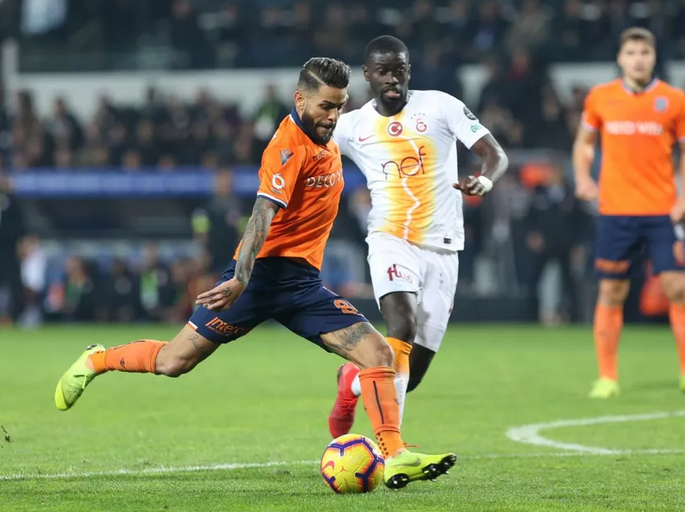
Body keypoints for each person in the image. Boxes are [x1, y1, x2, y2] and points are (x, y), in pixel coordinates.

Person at [54, 57, 455, 490]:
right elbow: (263, 212)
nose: (334, 116)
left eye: (340, 106)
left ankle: (396, 455)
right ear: (300, 100)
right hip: (259, 278)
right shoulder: (287, 147)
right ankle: (98, 358)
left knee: (379, 355)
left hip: (301, 285)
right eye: (326, 107)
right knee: (174, 362)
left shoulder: (328, 137)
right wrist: (241, 277)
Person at [328, 36, 508, 438]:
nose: (393, 78)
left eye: (400, 69)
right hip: (390, 238)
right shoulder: (351, 126)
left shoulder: (441, 106)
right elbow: (308, 150)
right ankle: (392, 448)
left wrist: (485, 180)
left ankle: (352, 382)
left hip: (444, 247)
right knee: (402, 324)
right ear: (368, 75)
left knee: (410, 376)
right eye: (384, 71)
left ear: (409, 70)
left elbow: (495, 155)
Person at [573, 27, 685, 399]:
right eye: (631, 52)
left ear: (653, 58)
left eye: (644, 52)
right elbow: (585, 142)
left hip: (662, 212)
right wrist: (584, 177)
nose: (638, 58)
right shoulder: (601, 98)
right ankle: (607, 377)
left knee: (678, 287)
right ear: (620, 58)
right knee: (612, 291)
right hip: (616, 212)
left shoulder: (674, 99)